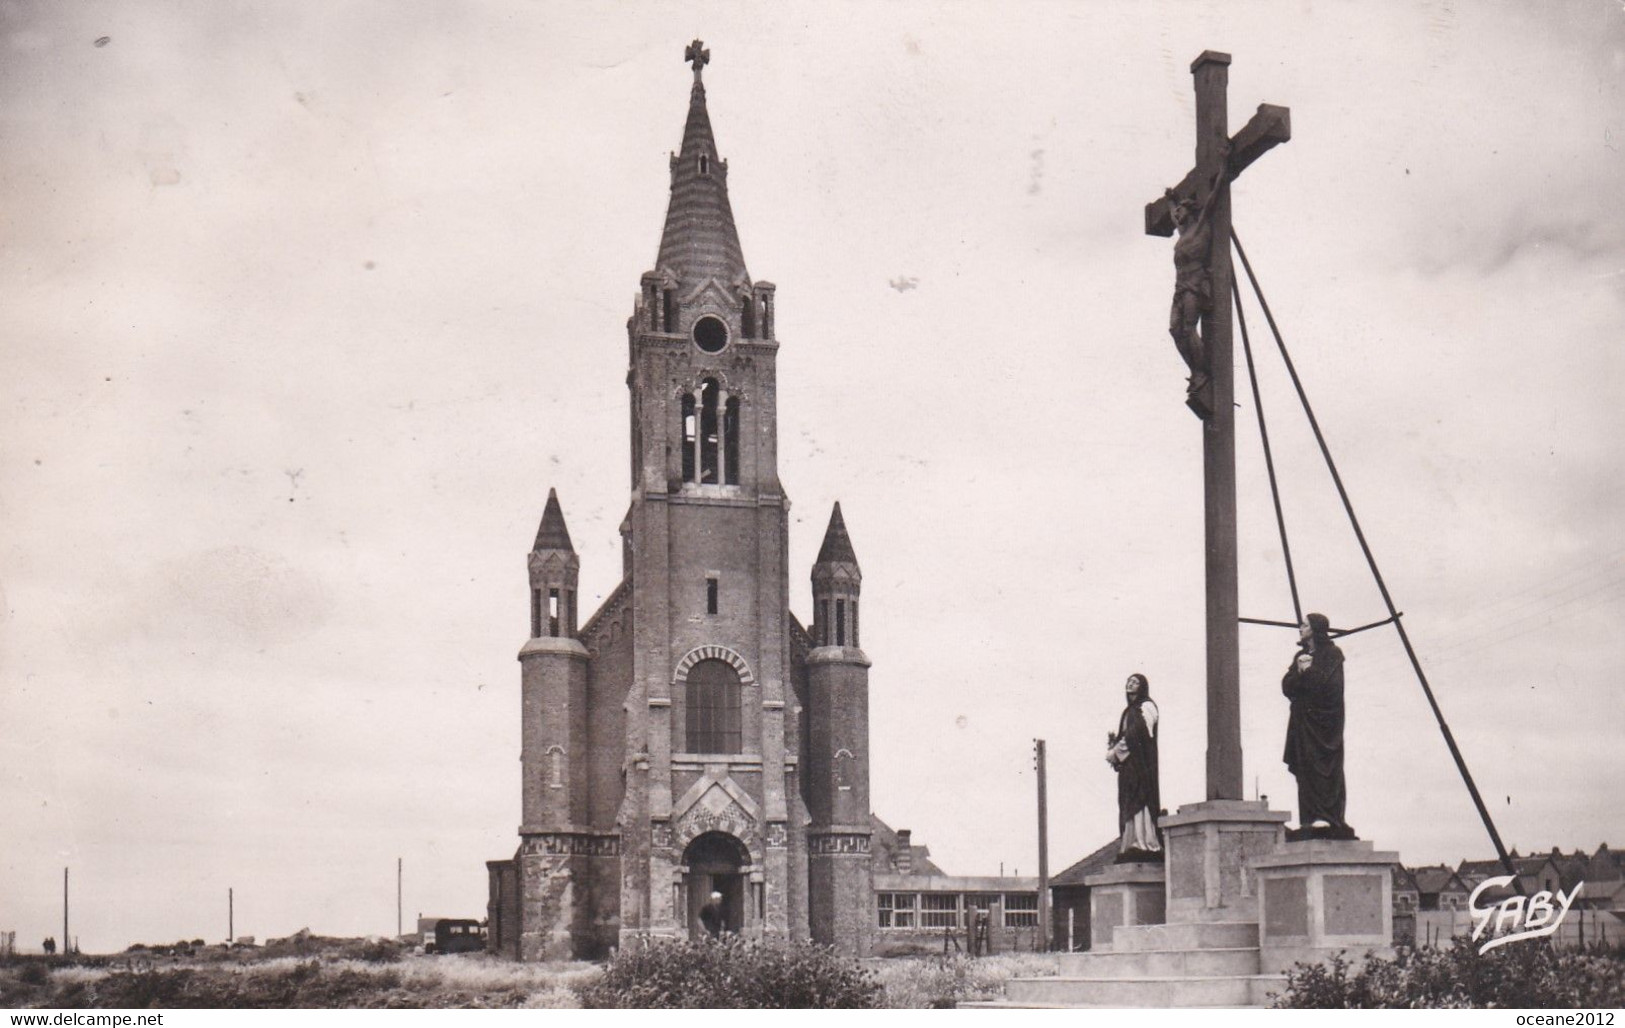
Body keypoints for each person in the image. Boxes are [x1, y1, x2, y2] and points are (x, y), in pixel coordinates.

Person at [1281, 612, 1349, 834]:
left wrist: (1309, 672)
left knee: (1323, 767)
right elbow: (1286, 686)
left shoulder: (1332, 654)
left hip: (1323, 725)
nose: (1300, 628)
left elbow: (1330, 690)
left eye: (1305, 624)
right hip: (1302, 724)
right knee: (1305, 769)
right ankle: (1309, 816)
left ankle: (1327, 815)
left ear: (1315, 629)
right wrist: (1300, 672)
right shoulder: (1300, 656)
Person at [1106, 673, 1162, 861]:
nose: (1130, 684)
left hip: (1141, 766)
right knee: (1129, 802)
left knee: (1141, 800)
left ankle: (1145, 842)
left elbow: (1137, 734)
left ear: (1142, 686)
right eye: (1128, 681)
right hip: (1128, 767)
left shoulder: (1147, 707)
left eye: (1135, 682)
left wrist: (1116, 752)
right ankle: (1131, 842)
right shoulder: (1128, 711)